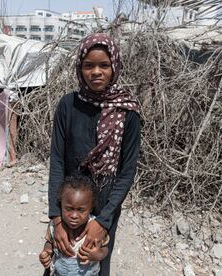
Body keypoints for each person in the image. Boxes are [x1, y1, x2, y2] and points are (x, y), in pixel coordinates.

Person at [47, 33, 141, 275]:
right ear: (80, 68)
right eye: (89, 65)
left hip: (106, 206)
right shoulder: (68, 105)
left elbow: (127, 171)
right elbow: (57, 160)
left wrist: (103, 221)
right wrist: (57, 217)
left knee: (96, 263)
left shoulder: (127, 111)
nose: (96, 72)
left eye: (104, 65)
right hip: (70, 205)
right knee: (61, 258)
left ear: (115, 66)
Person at [39, 176, 109, 275]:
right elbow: (50, 242)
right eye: (69, 209)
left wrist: (97, 255)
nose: (74, 216)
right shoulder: (55, 226)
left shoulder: (96, 229)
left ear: (91, 208)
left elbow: (105, 248)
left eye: (81, 210)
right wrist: (47, 251)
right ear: (61, 205)